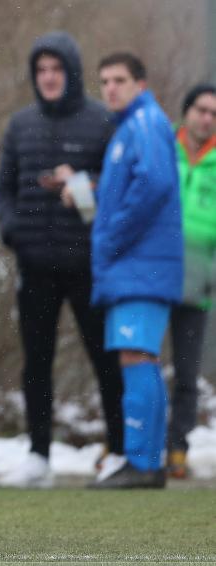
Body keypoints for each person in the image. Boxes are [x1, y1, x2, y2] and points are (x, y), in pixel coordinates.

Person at [0, 31, 124, 488]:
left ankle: (118, 451)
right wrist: (13, 231)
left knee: (105, 359)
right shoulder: (20, 125)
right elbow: (4, 188)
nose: (49, 77)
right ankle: (38, 455)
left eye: (56, 69)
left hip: (89, 267)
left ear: (72, 72)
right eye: (41, 70)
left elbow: (118, 185)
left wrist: (83, 182)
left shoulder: (102, 121)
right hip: (34, 267)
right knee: (36, 363)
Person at [87, 53, 183, 489]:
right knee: (143, 357)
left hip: (142, 266)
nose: (110, 88)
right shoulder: (133, 125)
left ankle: (141, 463)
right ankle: (148, 461)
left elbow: (154, 184)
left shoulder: (144, 123)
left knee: (136, 356)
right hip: (138, 266)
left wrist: (112, 235)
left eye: (120, 80)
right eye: (105, 80)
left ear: (140, 84)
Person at [166, 83, 216, 479]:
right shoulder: (162, 149)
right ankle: (129, 441)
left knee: (186, 371)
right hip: (153, 274)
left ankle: (177, 447)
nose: (207, 118)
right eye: (201, 110)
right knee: (137, 361)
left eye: (214, 114)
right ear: (186, 112)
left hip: (198, 281)